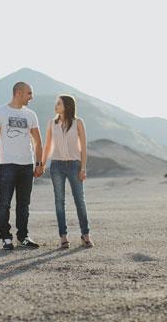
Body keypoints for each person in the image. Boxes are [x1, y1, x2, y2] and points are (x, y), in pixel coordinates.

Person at [0, 81, 44, 250]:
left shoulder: (31, 115)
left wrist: (39, 163)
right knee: (4, 203)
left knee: (24, 204)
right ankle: (6, 238)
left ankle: (23, 237)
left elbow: (38, 141)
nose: (31, 97)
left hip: (27, 165)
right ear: (19, 93)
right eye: (29, 93)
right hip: (7, 165)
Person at [41, 95, 93, 249]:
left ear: (67, 106)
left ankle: (86, 235)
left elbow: (84, 147)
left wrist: (83, 167)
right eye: (56, 103)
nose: (55, 106)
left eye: (59, 103)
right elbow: (48, 146)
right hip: (56, 166)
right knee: (59, 202)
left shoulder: (78, 123)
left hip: (75, 165)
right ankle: (63, 237)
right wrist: (41, 164)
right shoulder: (52, 123)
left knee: (80, 201)